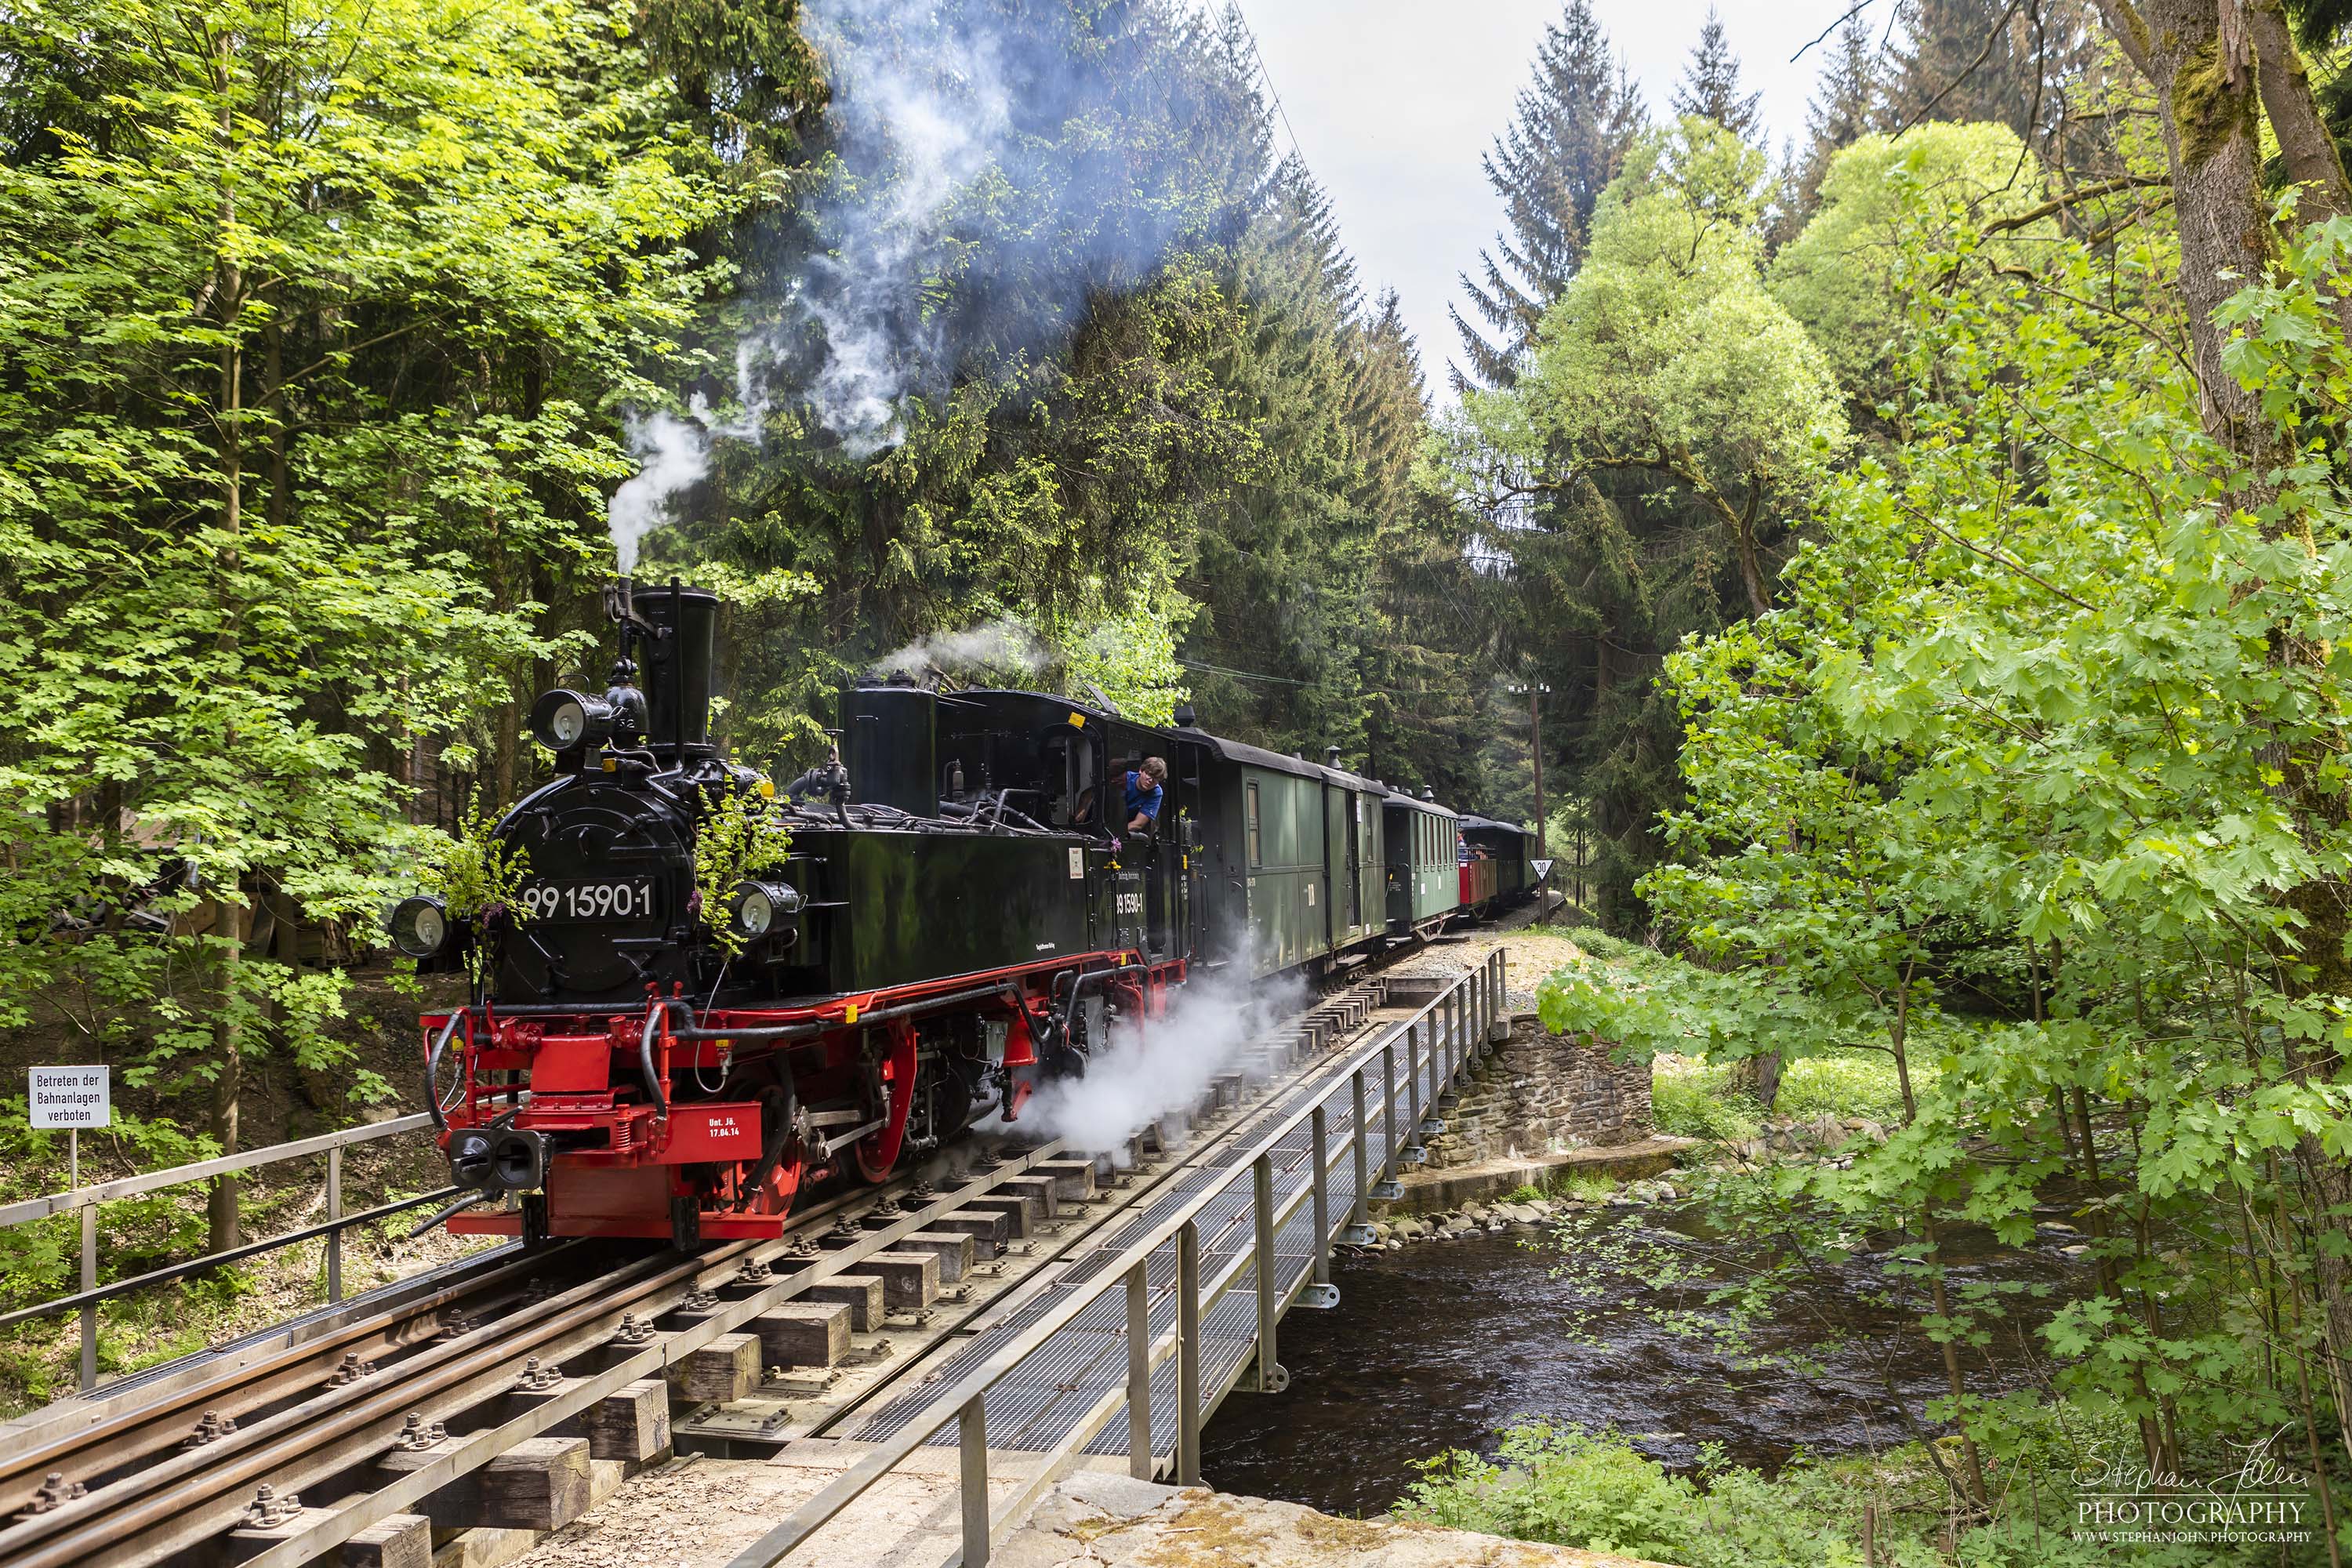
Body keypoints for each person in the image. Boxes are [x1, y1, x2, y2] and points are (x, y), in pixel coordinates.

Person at [1122, 757, 1167, 833]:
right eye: (1149, 775)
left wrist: (1117, 833)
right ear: (1141, 770)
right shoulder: (1125, 779)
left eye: (1156, 778)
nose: (1151, 781)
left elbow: (1138, 824)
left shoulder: (1156, 793)